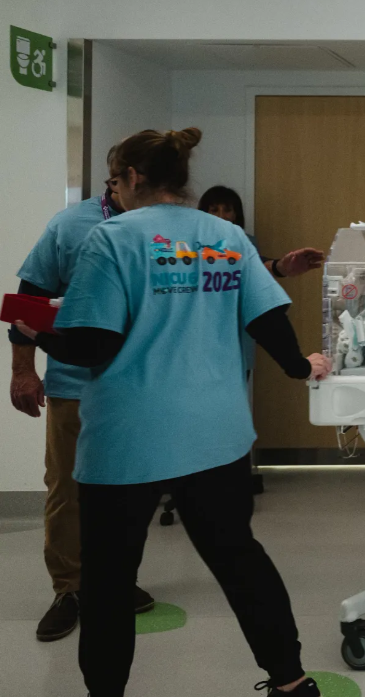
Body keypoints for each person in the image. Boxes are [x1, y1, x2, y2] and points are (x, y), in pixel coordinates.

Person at [15, 128, 331, 697]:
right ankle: (291, 680)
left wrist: (32, 332)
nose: (114, 190)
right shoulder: (226, 235)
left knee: (109, 582)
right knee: (240, 560)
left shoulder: (111, 239)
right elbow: (268, 323)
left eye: (116, 179)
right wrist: (302, 367)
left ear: (133, 178)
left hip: (129, 440)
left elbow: (93, 348)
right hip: (217, 435)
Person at [8, 149, 156, 643]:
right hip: (75, 382)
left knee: (127, 491)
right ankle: (70, 588)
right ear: (120, 178)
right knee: (68, 491)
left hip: (139, 384)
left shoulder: (165, 225)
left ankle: (112, 581)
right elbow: (29, 299)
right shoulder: (71, 225)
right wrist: (24, 372)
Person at [197, 185, 325, 279]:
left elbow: (256, 267)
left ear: (235, 214)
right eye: (214, 210)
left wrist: (282, 266)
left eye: (227, 210)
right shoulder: (193, 241)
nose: (221, 216)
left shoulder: (246, 241)